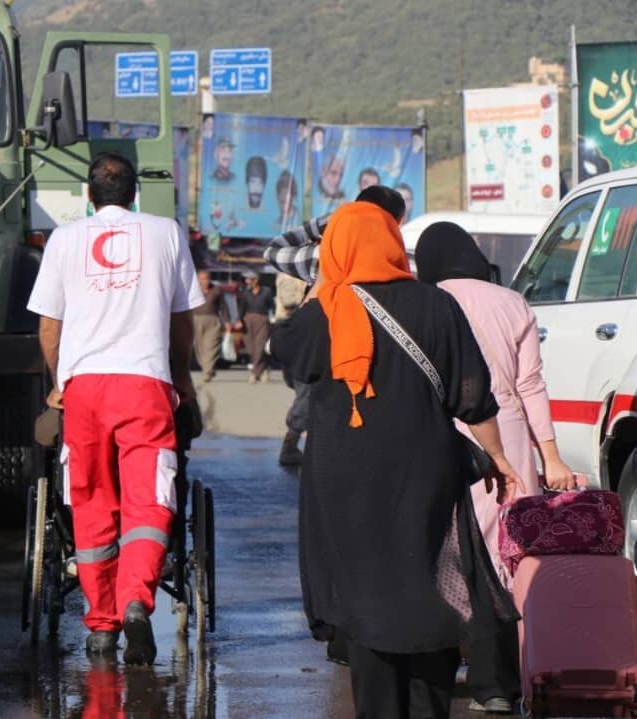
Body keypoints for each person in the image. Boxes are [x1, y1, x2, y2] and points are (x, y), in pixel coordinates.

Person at [272, 201, 520, 719]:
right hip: (424, 467)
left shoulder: (328, 309)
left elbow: (290, 354)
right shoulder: (436, 305)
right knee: (428, 571)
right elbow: (471, 394)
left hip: (344, 475)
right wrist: (498, 457)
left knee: (365, 585)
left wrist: (327, 284)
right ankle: (430, 703)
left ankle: (379, 705)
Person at [27, 152, 203, 666]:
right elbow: (181, 325)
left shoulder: (63, 239)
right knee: (148, 501)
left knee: (90, 499)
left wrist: (60, 383)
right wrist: (183, 383)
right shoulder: (166, 233)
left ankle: (101, 624)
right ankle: (135, 601)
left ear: (89, 195)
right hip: (144, 383)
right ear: (134, 195)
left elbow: (49, 326)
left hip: (84, 389)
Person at [414, 221, 575, 714]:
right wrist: (550, 455)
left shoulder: (425, 299)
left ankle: (437, 669)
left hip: (440, 429)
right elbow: (531, 385)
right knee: (500, 554)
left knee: (443, 548)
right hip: (505, 433)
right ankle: (497, 683)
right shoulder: (513, 302)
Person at [263, 185, 406, 284]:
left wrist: (327, 222)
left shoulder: (326, 257)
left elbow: (272, 251)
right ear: (397, 222)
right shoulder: (407, 264)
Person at [275, 271, 310, 466]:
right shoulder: (294, 274)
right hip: (298, 329)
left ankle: (295, 444)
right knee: (306, 392)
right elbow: (289, 301)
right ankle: (290, 445)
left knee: (305, 392)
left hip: (295, 330)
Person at [236, 270, 274, 384]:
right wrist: (239, 320)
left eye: (249, 279)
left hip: (262, 320)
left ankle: (254, 374)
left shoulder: (267, 291)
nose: (247, 281)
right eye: (246, 279)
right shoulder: (245, 293)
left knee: (260, 347)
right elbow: (241, 308)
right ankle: (264, 368)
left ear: (256, 280)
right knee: (251, 348)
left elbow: (272, 306)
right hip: (248, 321)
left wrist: (272, 320)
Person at [192, 270, 227, 383]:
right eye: (202, 279)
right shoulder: (193, 290)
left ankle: (207, 372)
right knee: (200, 348)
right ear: (198, 279)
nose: (205, 281)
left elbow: (223, 307)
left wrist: (227, 322)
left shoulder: (217, 289)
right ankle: (209, 368)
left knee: (211, 346)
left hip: (213, 321)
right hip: (196, 320)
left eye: (207, 278)